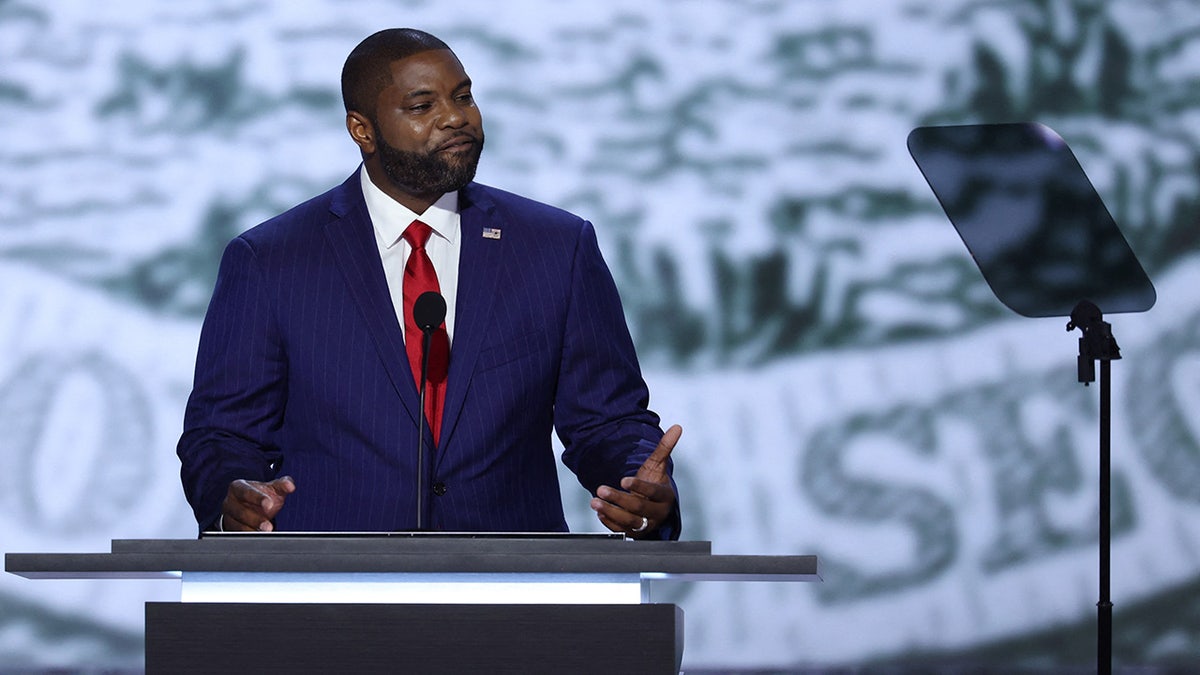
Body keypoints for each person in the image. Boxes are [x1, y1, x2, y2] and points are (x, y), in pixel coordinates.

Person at [176, 28, 681, 540]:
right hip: (332, 593)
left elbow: (608, 421)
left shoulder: (556, 248)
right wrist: (232, 500)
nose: (456, 116)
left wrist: (637, 489)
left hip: (513, 590)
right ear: (362, 130)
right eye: (423, 106)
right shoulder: (270, 260)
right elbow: (222, 434)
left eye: (463, 96)